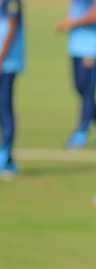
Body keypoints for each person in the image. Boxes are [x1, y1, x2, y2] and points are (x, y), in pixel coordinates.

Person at [57, 0, 96, 149]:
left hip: (91, 49)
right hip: (76, 48)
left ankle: (81, 132)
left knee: (88, 92)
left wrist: (71, 24)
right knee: (80, 88)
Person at [0, 0, 24, 180]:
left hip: (7, 64)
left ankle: (6, 158)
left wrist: (1, 58)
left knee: (4, 108)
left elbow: (12, 27)